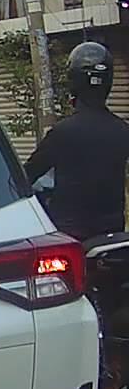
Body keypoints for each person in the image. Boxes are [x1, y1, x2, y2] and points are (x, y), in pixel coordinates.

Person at [24, 41, 129, 241]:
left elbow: (28, 175)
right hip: (113, 234)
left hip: (70, 236)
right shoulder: (123, 131)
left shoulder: (62, 132)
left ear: (73, 81)